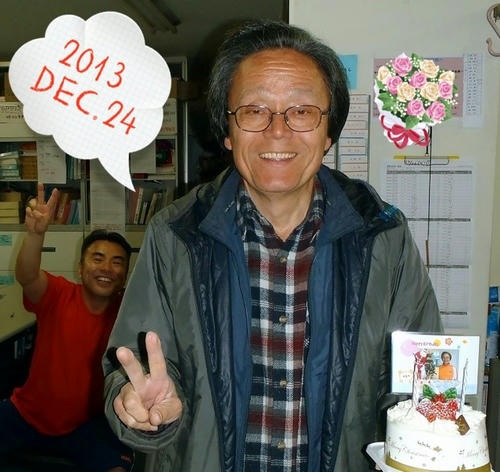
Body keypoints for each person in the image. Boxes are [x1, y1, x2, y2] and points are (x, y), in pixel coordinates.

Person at [103, 20, 442, 471]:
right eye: (254, 110)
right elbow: (137, 370)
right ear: (227, 131)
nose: (278, 131)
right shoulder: (176, 235)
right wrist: (139, 409)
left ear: (329, 131)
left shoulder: (382, 236)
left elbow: (416, 383)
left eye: (301, 111)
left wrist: (430, 437)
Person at [0, 183, 134, 472]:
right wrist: (35, 234)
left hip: (86, 425)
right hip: (26, 414)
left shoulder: (129, 313)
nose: (106, 268)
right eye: (97, 259)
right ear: (80, 268)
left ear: (125, 276)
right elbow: (27, 276)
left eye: (117, 262)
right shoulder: (59, 294)